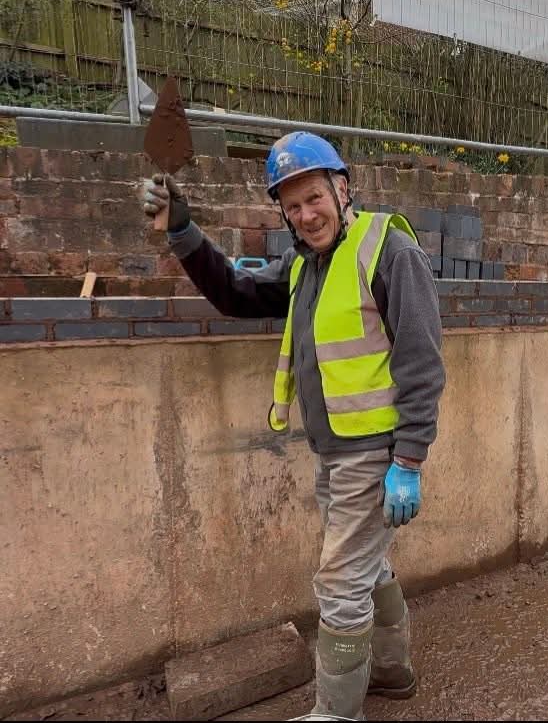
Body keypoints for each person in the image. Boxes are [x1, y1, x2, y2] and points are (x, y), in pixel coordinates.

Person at [140, 131, 446, 719]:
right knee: (365, 565)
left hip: (374, 454)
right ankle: (391, 670)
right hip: (334, 451)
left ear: (342, 188)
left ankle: (337, 713)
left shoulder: (389, 251)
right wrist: (183, 230)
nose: (306, 215)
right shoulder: (307, 266)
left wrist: (408, 461)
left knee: (339, 582)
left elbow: (423, 361)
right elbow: (236, 292)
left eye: (314, 198)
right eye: (292, 205)